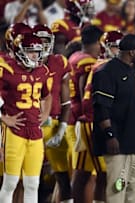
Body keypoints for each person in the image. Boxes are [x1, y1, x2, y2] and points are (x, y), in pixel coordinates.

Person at [92, 34, 135, 203]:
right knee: (118, 185)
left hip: (134, 139)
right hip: (117, 139)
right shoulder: (106, 72)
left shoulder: (133, 70)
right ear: (132, 52)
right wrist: (110, 135)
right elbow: (101, 107)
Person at [0, 33, 52, 203]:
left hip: (35, 132)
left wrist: (45, 113)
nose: (35, 56)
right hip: (15, 131)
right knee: (10, 183)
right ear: (19, 51)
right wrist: (4, 118)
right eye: (31, 52)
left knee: (33, 183)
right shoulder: (6, 69)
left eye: (37, 52)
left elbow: (47, 95)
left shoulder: (42, 70)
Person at [32, 24, 73, 203]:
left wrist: (62, 127)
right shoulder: (20, 65)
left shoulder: (59, 62)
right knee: (29, 177)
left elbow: (66, 101)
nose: (42, 44)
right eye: (38, 41)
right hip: (29, 126)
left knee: (62, 176)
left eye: (45, 41)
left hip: (54, 124)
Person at [68, 25, 105, 203]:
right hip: (83, 121)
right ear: (97, 42)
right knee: (92, 173)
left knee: (82, 171)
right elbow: (86, 95)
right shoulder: (88, 61)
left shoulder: (75, 56)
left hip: (73, 118)